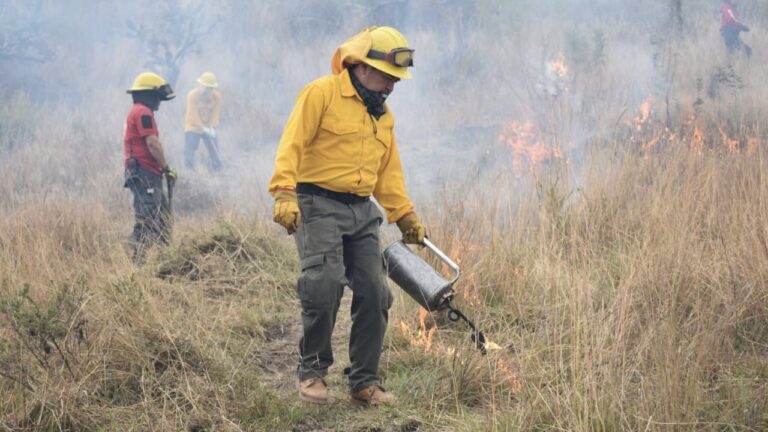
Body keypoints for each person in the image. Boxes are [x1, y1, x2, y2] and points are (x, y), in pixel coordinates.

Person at [268, 26, 426, 406]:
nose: (392, 86)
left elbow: (388, 172)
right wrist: (284, 193)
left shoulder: (383, 117)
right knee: (324, 285)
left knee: (375, 292)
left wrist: (403, 215)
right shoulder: (321, 93)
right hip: (316, 204)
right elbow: (291, 145)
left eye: (396, 80)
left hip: (361, 211)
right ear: (361, 66)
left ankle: (363, 383)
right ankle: (312, 372)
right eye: (388, 77)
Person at [123, 72, 177, 264]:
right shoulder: (142, 112)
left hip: (147, 172)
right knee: (146, 217)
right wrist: (166, 167)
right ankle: (138, 265)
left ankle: (166, 261)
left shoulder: (139, 111)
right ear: (149, 95)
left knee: (161, 216)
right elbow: (152, 143)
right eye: (157, 98)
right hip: (144, 171)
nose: (159, 103)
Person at [184, 72, 223, 171]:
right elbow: (193, 114)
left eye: (211, 88)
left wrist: (212, 127)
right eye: (206, 87)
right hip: (193, 126)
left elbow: (215, 114)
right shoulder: (192, 95)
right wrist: (202, 128)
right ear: (200, 85)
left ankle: (217, 169)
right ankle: (189, 170)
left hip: (208, 126)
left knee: (213, 147)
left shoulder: (217, 97)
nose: (208, 90)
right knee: (190, 148)